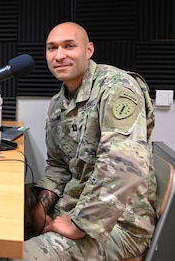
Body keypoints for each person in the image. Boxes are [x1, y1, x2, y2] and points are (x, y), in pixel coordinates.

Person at [18, 22, 156, 260]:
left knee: (25, 256)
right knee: (2, 206)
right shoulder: (58, 103)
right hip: (74, 201)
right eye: (52, 48)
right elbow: (58, 165)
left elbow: (126, 167)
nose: (59, 55)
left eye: (69, 46)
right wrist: (40, 207)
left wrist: (80, 225)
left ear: (88, 50)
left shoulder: (116, 87)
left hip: (120, 223)